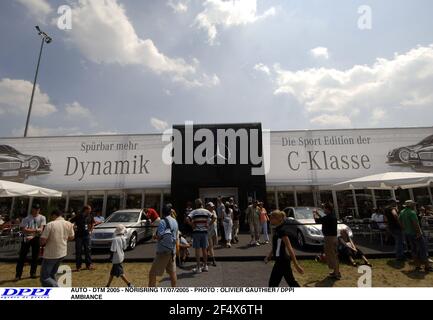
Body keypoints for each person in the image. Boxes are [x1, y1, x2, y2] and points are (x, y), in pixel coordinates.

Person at [265, 210, 304, 287]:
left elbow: (289, 248)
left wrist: (296, 265)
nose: (270, 219)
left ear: (278, 219)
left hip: (282, 261)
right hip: (279, 261)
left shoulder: (282, 231)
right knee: (289, 282)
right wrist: (269, 256)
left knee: (274, 284)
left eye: (272, 218)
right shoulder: (277, 230)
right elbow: (276, 246)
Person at [39, 210, 75, 287]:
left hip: (51, 254)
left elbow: (43, 241)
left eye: (51, 216)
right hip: (62, 252)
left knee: (44, 277)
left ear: (54, 215)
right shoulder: (68, 224)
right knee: (52, 274)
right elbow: (72, 237)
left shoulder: (50, 224)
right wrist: (64, 240)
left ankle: (57, 288)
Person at [149, 204, 179, 287]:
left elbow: (159, 236)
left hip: (163, 252)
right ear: (170, 212)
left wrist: (154, 236)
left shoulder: (163, 222)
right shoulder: (175, 221)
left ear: (162, 212)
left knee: (152, 273)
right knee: (172, 273)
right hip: (172, 251)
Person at [15, 203, 47, 281]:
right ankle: (18, 274)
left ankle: (33, 273)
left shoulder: (42, 217)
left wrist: (32, 231)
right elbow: (24, 229)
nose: (37, 211)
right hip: (26, 238)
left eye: (38, 209)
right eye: (35, 209)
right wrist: (36, 230)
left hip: (35, 238)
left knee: (35, 256)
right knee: (22, 256)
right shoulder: (26, 218)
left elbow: (41, 229)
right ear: (32, 209)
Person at [399, 200, 432, 272]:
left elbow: (400, 222)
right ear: (410, 205)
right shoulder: (412, 212)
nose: (414, 206)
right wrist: (419, 233)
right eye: (413, 205)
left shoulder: (402, 212)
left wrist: (405, 229)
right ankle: (427, 266)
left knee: (413, 250)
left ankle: (418, 266)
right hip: (415, 233)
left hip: (408, 233)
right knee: (422, 249)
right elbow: (415, 224)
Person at [187, 199, 216, 274]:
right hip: (205, 232)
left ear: (196, 204)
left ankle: (198, 267)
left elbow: (187, 219)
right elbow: (214, 218)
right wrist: (208, 224)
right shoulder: (206, 211)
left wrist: (192, 225)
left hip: (196, 232)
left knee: (197, 250)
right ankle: (205, 266)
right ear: (201, 204)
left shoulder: (194, 211)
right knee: (204, 249)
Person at [314, 202, 341, 280]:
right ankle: (336, 272)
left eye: (324, 208)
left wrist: (314, 213)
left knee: (332, 256)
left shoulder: (328, 217)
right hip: (333, 238)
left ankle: (336, 274)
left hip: (329, 238)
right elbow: (323, 219)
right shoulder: (331, 216)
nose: (323, 210)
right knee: (333, 255)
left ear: (328, 209)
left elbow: (317, 221)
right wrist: (318, 214)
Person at [70, 205, 95, 271]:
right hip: (79, 236)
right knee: (79, 251)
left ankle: (88, 265)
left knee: (88, 250)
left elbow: (93, 223)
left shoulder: (90, 216)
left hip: (87, 235)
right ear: (85, 210)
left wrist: (91, 230)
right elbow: (70, 222)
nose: (90, 211)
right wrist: (73, 228)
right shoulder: (78, 216)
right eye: (89, 209)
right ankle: (78, 266)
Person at [206, 202, 218, 266]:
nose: (212, 207)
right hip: (208, 231)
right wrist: (208, 224)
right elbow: (214, 219)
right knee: (210, 246)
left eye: (213, 206)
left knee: (211, 245)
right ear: (207, 206)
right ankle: (213, 260)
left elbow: (215, 219)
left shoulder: (214, 211)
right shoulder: (206, 213)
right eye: (211, 206)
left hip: (214, 230)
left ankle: (206, 255)